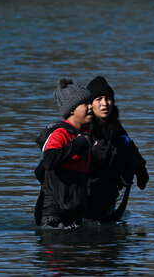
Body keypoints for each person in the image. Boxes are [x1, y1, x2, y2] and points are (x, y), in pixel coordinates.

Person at [83, 76, 149, 222]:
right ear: (90, 104)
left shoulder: (116, 128)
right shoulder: (83, 128)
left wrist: (140, 170)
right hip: (84, 197)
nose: (104, 103)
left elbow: (130, 149)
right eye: (99, 99)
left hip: (109, 196)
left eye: (108, 98)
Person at [34, 78, 93, 228]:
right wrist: (78, 144)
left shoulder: (85, 136)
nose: (91, 106)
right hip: (53, 216)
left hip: (73, 215)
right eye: (86, 103)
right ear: (72, 109)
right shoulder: (61, 133)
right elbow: (49, 160)